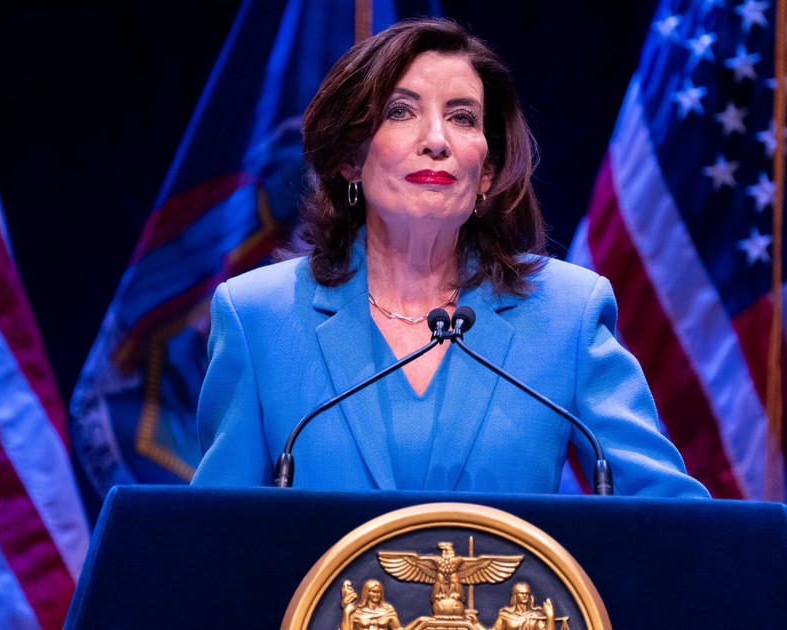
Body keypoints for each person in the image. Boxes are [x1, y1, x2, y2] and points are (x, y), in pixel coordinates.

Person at [191, 17, 707, 498]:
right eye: (400, 111)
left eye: (462, 118)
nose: (436, 141)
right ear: (350, 158)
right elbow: (216, 535)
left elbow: (670, 516)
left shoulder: (566, 312)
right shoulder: (258, 317)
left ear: (486, 171)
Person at [486, 583, 553, 630]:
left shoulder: (535, 616)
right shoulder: (505, 615)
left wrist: (550, 616)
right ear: (515, 595)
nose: (525, 596)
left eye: (527, 593)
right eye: (522, 593)